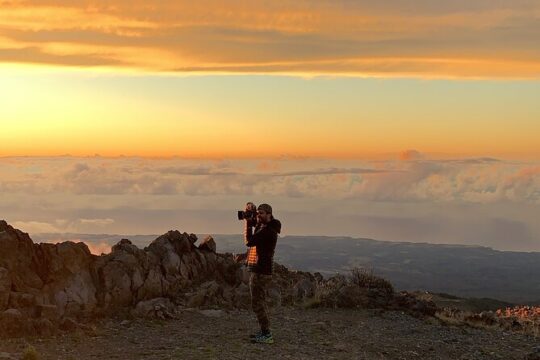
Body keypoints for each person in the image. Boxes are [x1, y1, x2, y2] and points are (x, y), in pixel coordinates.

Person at [243, 202, 281, 344]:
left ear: (269, 214)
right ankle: (265, 331)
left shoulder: (268, 231)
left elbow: (249, 241)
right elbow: (256, 224)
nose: (259, 215)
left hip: (261, 271)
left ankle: (266, 334)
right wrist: (250, 212)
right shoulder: (265, 226)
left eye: (262, 213)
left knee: (257, 303)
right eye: (258, 213)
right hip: (261, 270)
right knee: (260, 302)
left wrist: (247, 224)